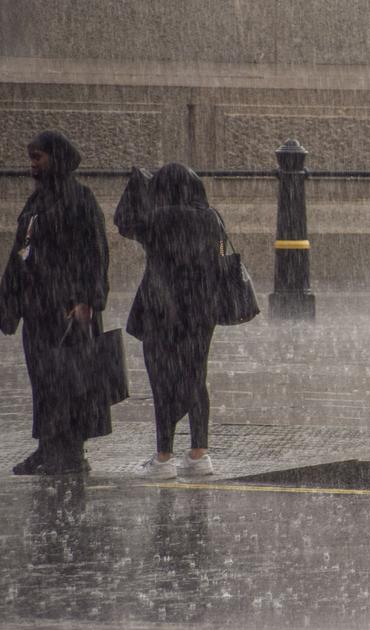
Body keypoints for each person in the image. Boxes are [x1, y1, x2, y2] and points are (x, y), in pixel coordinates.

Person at [5, 130, 111, 475]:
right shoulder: (36, 202)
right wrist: (10, 301)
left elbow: (96, 253)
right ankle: (47, 446)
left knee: (70, 380)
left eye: (38, 157)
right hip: (38, 307)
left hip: (67, 307)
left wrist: (88, 300)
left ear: (57, 158)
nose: (33, 165)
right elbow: (21, 252)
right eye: (31, 157)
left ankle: (72, 453)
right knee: (43, 379)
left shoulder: (79, 198)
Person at [115, 162, 222, 479]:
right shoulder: (210, 219)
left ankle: (164, 458)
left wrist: (138, 184)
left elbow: (122, 221)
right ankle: (200, 454)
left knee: (162, 379)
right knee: (195, 376)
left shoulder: (155, 220)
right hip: (201, 309)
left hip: (161, 308)